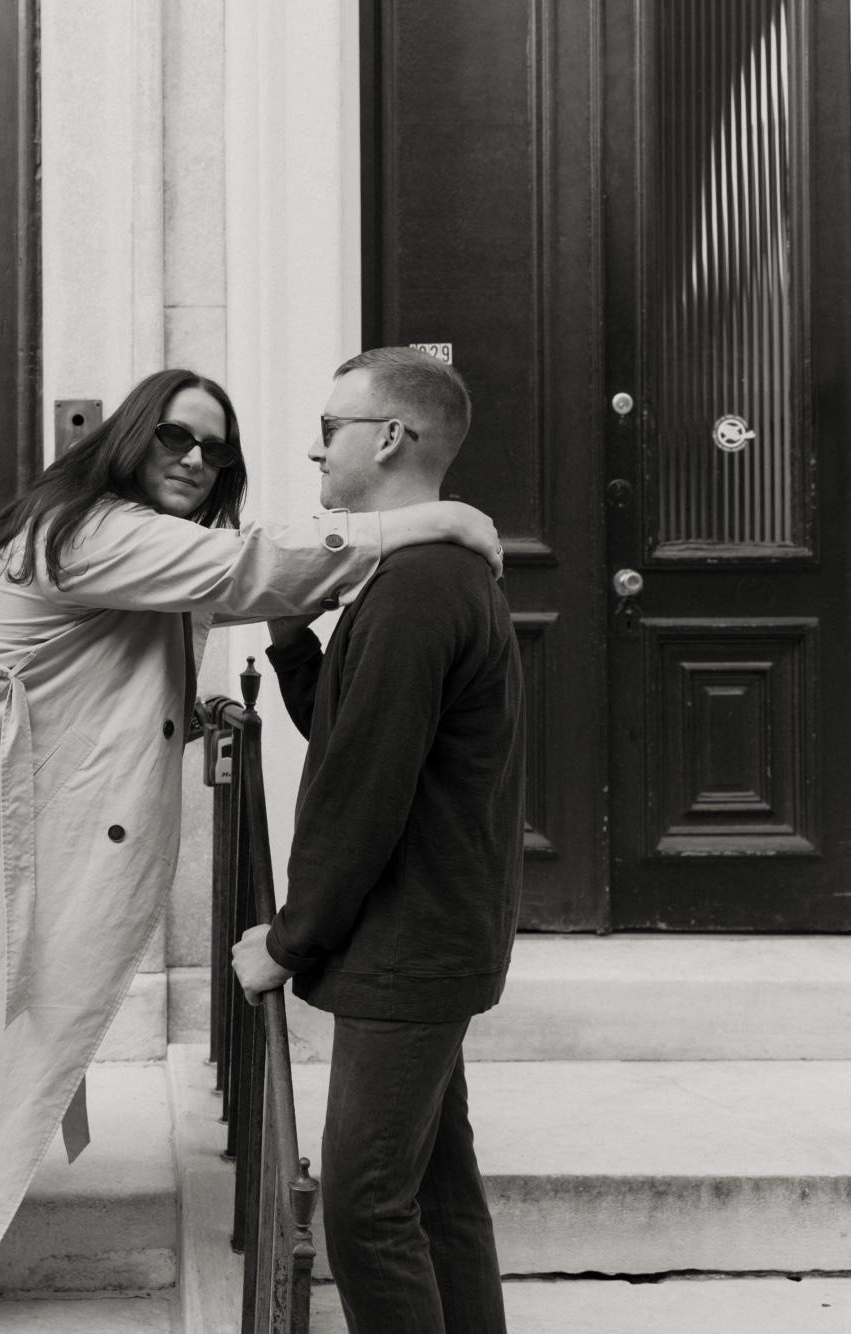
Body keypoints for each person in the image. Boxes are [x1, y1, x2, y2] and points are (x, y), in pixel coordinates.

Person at [0, 367, 504, 1334]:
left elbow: (197, 612)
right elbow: (253, 568)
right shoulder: (87, 527)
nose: (196, 458)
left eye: (215, 448)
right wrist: (435, 519)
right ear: (129, 438)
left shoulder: (155, 554)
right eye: (175, 436)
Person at [231, 347, 524, 1334]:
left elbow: (360, 791)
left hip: (411, 942)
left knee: (364, 1210)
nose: (315, 451)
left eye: (330, 429)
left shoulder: (418, 586)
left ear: (391, 436)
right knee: (436, 1196)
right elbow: (355, 732)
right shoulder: (419, 574)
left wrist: (288, 941)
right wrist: (289, 634)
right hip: (432, 932)